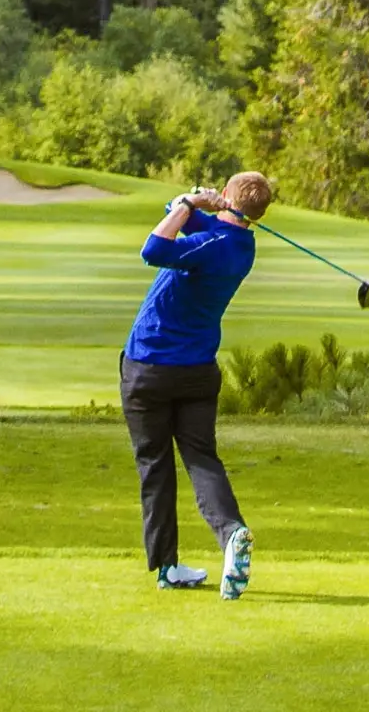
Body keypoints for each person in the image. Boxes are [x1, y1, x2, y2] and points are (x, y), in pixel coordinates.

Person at [120, 169, 273, 598]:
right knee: (202, 458)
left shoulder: (211, 244)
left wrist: (190, 203)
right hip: (198, 372)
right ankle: (231, 533)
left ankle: (167, 566)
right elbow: (178, 214)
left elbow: (152, 248)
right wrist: (194, 203)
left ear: (228, 194)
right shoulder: (243, 244)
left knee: (155, 468)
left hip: (150, 366)